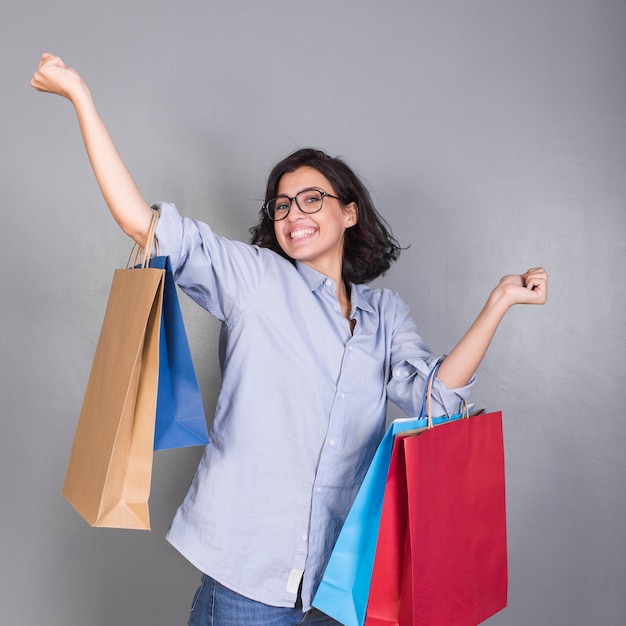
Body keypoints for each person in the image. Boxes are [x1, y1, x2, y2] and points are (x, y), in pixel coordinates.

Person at [31, 53, 548, 626]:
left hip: (332, 580)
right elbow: (141, 223)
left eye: (311, 199)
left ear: (349, 213)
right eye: (281, 204)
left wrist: (498, 303)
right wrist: (80, 97)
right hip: (247, 572)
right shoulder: (256, 279)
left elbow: (434, 398)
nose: (292, 213)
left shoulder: (383, 314)